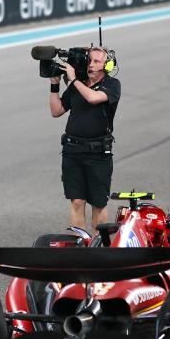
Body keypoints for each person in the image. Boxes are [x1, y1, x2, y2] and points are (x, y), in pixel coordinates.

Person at [48, 47, 121, 230]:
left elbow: (93, 98)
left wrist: (73, 79)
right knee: (77, 202)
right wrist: (55, 86)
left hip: (98, 154)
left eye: (97, 61)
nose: (91, 64)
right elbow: (56, 111)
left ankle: (99, 245)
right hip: (72, 151)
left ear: (107, 65)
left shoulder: (112, 85)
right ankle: (80, 245)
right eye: (89, 60)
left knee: (98, 204)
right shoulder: (78, 85)